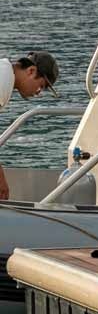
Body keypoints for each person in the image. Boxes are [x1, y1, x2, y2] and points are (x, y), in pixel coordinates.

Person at [0, 51, 60, 201]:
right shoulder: (3, 81)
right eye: (41, 86)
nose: (38, 93)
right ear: (31, 71)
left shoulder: (4, 72)